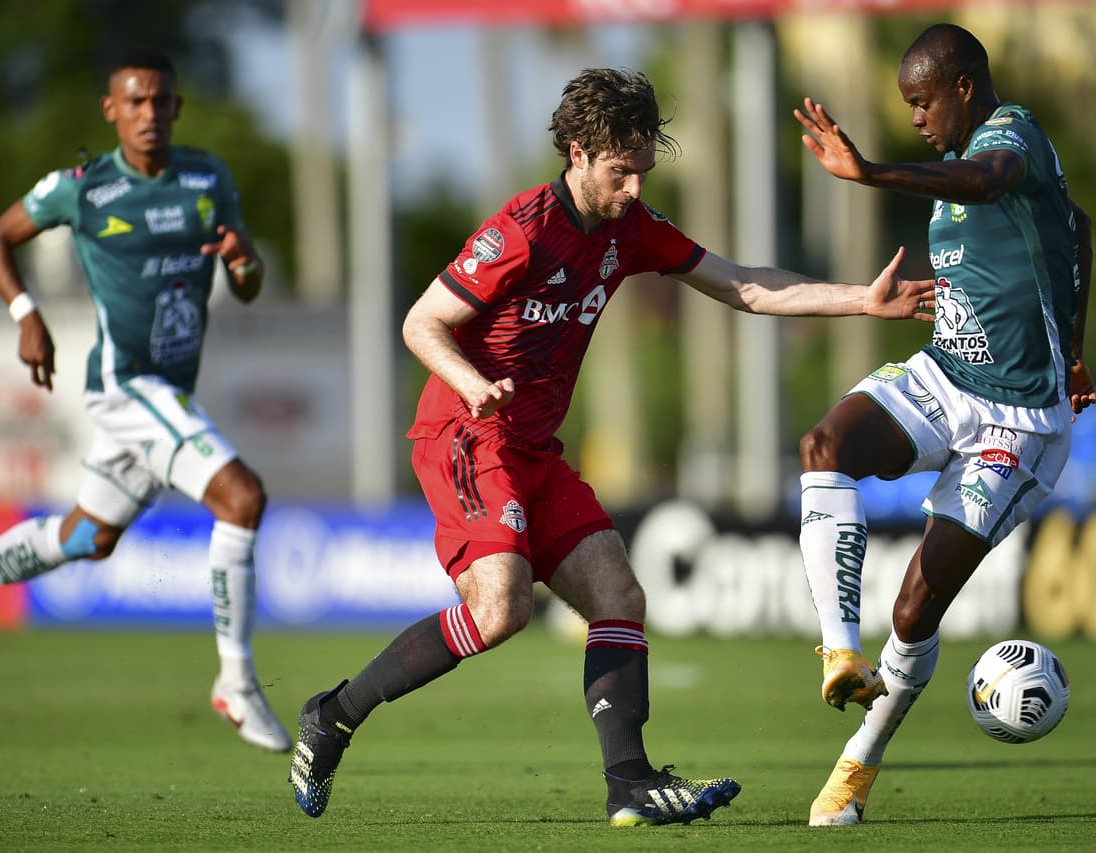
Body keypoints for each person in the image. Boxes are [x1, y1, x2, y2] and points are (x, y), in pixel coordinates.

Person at [288, 67, 935, 825]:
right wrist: (471, 383)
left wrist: (862, 298)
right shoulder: (521, 230)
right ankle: (332, 713)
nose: (633, 188)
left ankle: (629, 782)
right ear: (576, 152)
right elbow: (420, 323)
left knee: (620, 596)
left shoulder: (630, 228)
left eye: (642, 171)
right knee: (499, 610)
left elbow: (746, 287)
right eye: (619, 171)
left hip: (533, 447)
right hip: (466, 433)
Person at [790, 23, 1096, 825]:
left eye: (923, 101)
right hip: (945, 376)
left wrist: (870, 172)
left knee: (915, 611)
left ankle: (858, 765)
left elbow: (992, 180)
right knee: (825, 444)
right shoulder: (967, 166)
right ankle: (837, 647)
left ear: (964, 85)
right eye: (908, 107)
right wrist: (1076, 340)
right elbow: (1080, 229)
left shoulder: (1011, 134)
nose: (918, 118)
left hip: (1019, 419)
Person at [0, 49, 291, 753]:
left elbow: (249, 279)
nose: (148, 114)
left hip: (168, 391)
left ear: (176, 107)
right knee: (242, 497)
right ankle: (236, 679)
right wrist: (26, 314)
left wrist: (244, 261)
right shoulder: (82, 187)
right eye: (134, 102)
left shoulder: (207, 177)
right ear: (111, 110)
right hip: (127, 384)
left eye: (160, 101)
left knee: (88, 538)